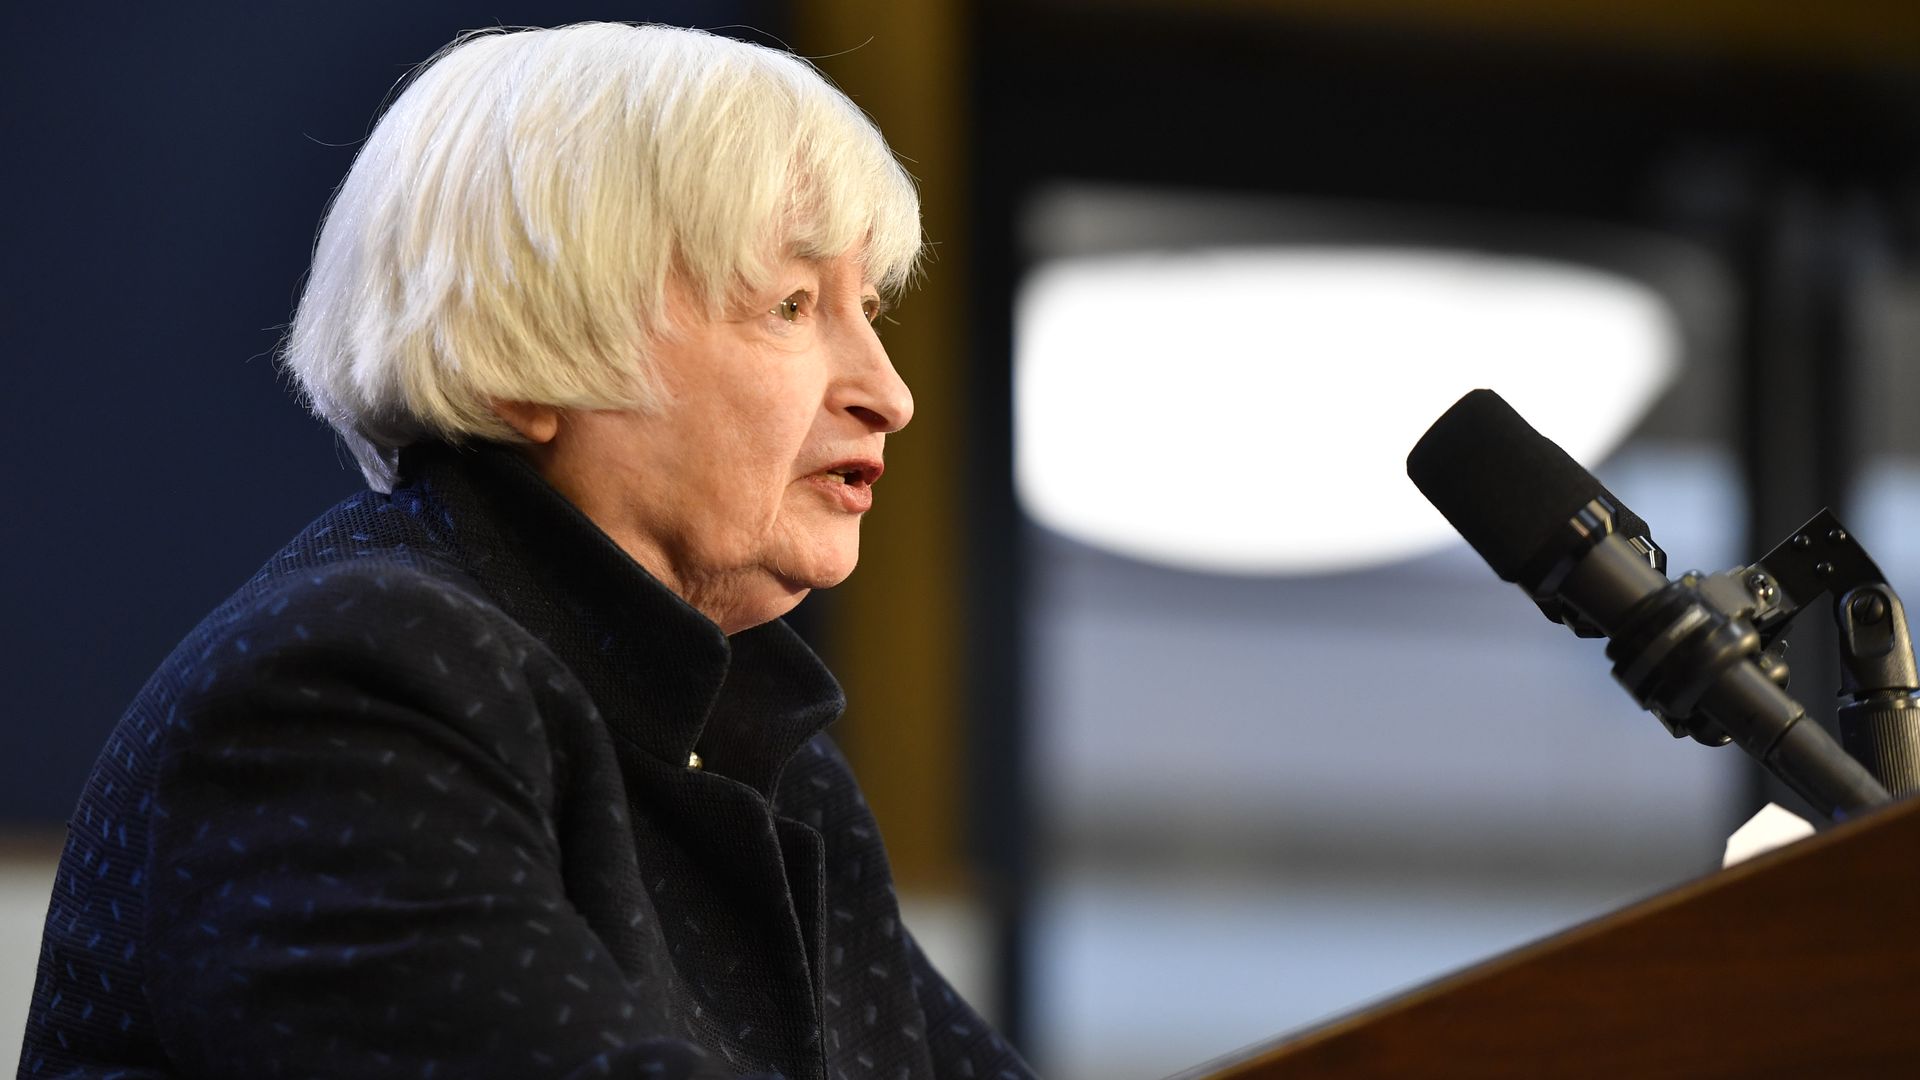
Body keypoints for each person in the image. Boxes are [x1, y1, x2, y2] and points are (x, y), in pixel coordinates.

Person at [20, 23, 1034, 1080]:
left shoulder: (774, 760)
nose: (890, 392)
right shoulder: (351, 684)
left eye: (864, 310)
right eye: (791, 305)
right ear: (531, 349)